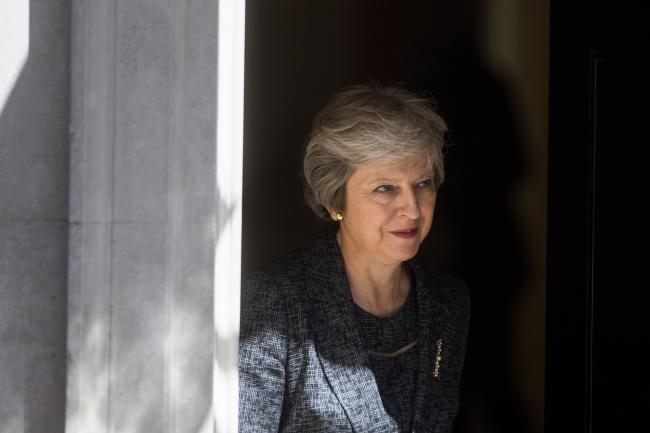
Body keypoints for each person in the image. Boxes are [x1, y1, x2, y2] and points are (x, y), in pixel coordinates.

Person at [239, 84, 470, 433]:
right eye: (385, 188)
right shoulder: (274, 301)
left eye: (423, 183)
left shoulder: (448, 302)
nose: (411, 208)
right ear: (335, 201)